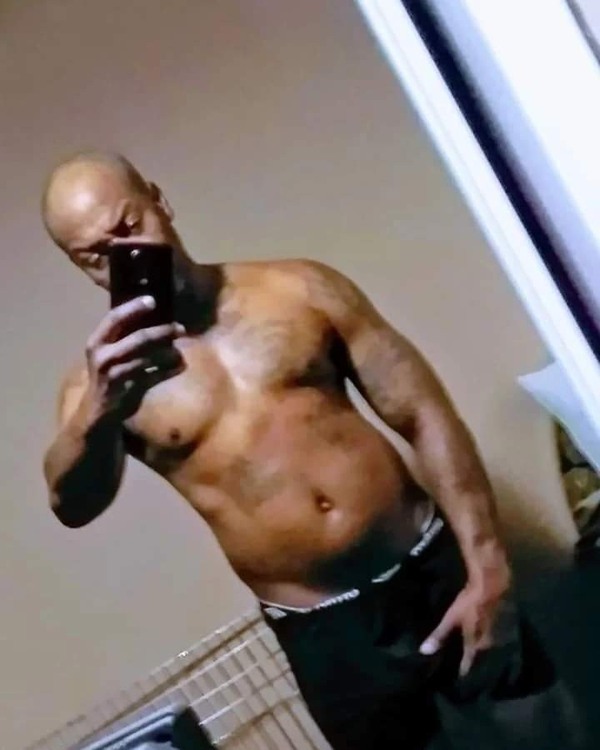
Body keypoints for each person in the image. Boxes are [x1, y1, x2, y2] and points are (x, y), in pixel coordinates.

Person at [41, 151, 586, 750]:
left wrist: (488, 571)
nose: (125, 255)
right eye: (96, 255)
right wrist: (99, 411)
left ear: (159, 199)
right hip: (327, 634)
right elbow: (72, 503)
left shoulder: (299, 290)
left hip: (430, 570)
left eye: (129, 225)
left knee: (553, 738)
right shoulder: (100, 384)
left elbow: (423, 414)